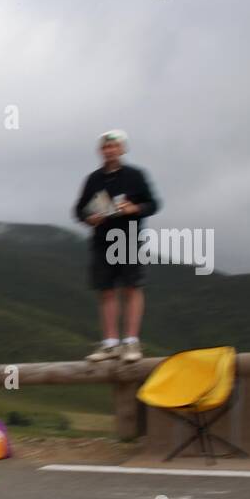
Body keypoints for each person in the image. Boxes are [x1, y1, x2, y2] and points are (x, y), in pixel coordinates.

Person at [73, 129, 161, 363]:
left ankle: (131, 342)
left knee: (132, 287)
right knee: (106, 290)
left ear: (122, 149)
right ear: (100, 151)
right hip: (102, 239)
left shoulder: (135, 175)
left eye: (114, 146)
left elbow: (153, 203)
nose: (110, 150)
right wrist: (88, 218)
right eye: (105, 147)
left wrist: (135, 209)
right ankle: (110, 343)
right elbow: (79, 210)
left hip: (129, 237)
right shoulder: (94, 179)